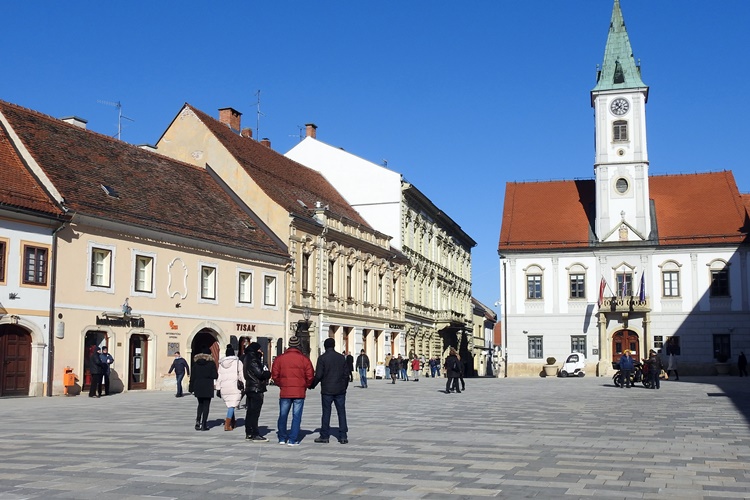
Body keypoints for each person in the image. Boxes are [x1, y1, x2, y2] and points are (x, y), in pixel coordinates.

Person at [271, 336, 314, 446]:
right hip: (299, 392)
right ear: (298, 345)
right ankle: (293, 439)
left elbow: (274, 375)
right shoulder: (304, 359)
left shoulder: (280, 359)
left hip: (285, 391)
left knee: (283, 415)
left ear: (289, 345)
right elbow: (310, 376)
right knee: (296, 416)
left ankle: (281, 438)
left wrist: (281, 384)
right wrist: (305, 385)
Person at [311, 338, 349, 444]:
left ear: (325, 346)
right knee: (341, 412)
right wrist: (344, 387)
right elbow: (346, 374)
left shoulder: (322, 358)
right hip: (340, 389)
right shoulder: (341, 358)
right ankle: (343, 436)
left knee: (326, 412)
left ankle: (324, 436)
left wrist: (312, 385)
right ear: (334, 345)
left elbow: (318, 375)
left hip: (327, 390)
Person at [243, 342, 271, 442]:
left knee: (250, 411)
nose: (261, 351)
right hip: (256, 388)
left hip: (250, 387)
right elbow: (260, 373)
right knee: (255, 412)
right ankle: (255, 433)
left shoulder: (247, 357)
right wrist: (268, 374)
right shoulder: (253, 359)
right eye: (259, 349)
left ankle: (249, 432)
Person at [216, 345, 244, 431]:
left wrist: (218, 388)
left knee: (231, 404)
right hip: (234, 386)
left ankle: (233, 422)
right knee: (232, 405)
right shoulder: (238, 362)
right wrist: (245, 384)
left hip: (224, 387)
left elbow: (219, 376)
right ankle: (227, 425)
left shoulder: (221, 364)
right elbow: (241, 375)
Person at [191, 348, 218, 431]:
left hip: (198, 385)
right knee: (206, 405)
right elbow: (215, 375)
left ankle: (198, 421)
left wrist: (191, 388)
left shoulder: (196, 364)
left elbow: (193, 377)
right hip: (207, 385)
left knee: (200, 404)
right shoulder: (211, 364)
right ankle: (204, 424)